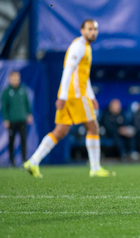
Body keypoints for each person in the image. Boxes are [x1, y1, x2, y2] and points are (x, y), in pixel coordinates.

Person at [24, 19, 114, 178]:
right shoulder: (78, 47)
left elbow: (83, 76)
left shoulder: (85, 47)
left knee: (60, 131)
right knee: (93, 127)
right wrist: (63, 96)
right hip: (75, 95)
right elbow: (67, 71)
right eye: (90, 29)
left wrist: (91, 96)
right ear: (82, 30)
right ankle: (95, 168)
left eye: (95, 29)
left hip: (72, 94)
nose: (93, 32)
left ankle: (33, 161)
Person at [1, 71, 33, 166]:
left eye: (17, 78)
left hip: (22, 120)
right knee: (11, 141)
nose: (16, 80)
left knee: (23, 140)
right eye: (14, 78)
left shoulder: (23, 90)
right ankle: (12, 162)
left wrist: (29, 114)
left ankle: (24, 160)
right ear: (9, 79)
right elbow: (4, 107)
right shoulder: (6, 92)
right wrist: (6, 119)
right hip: (12, 121)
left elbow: (27, 103)